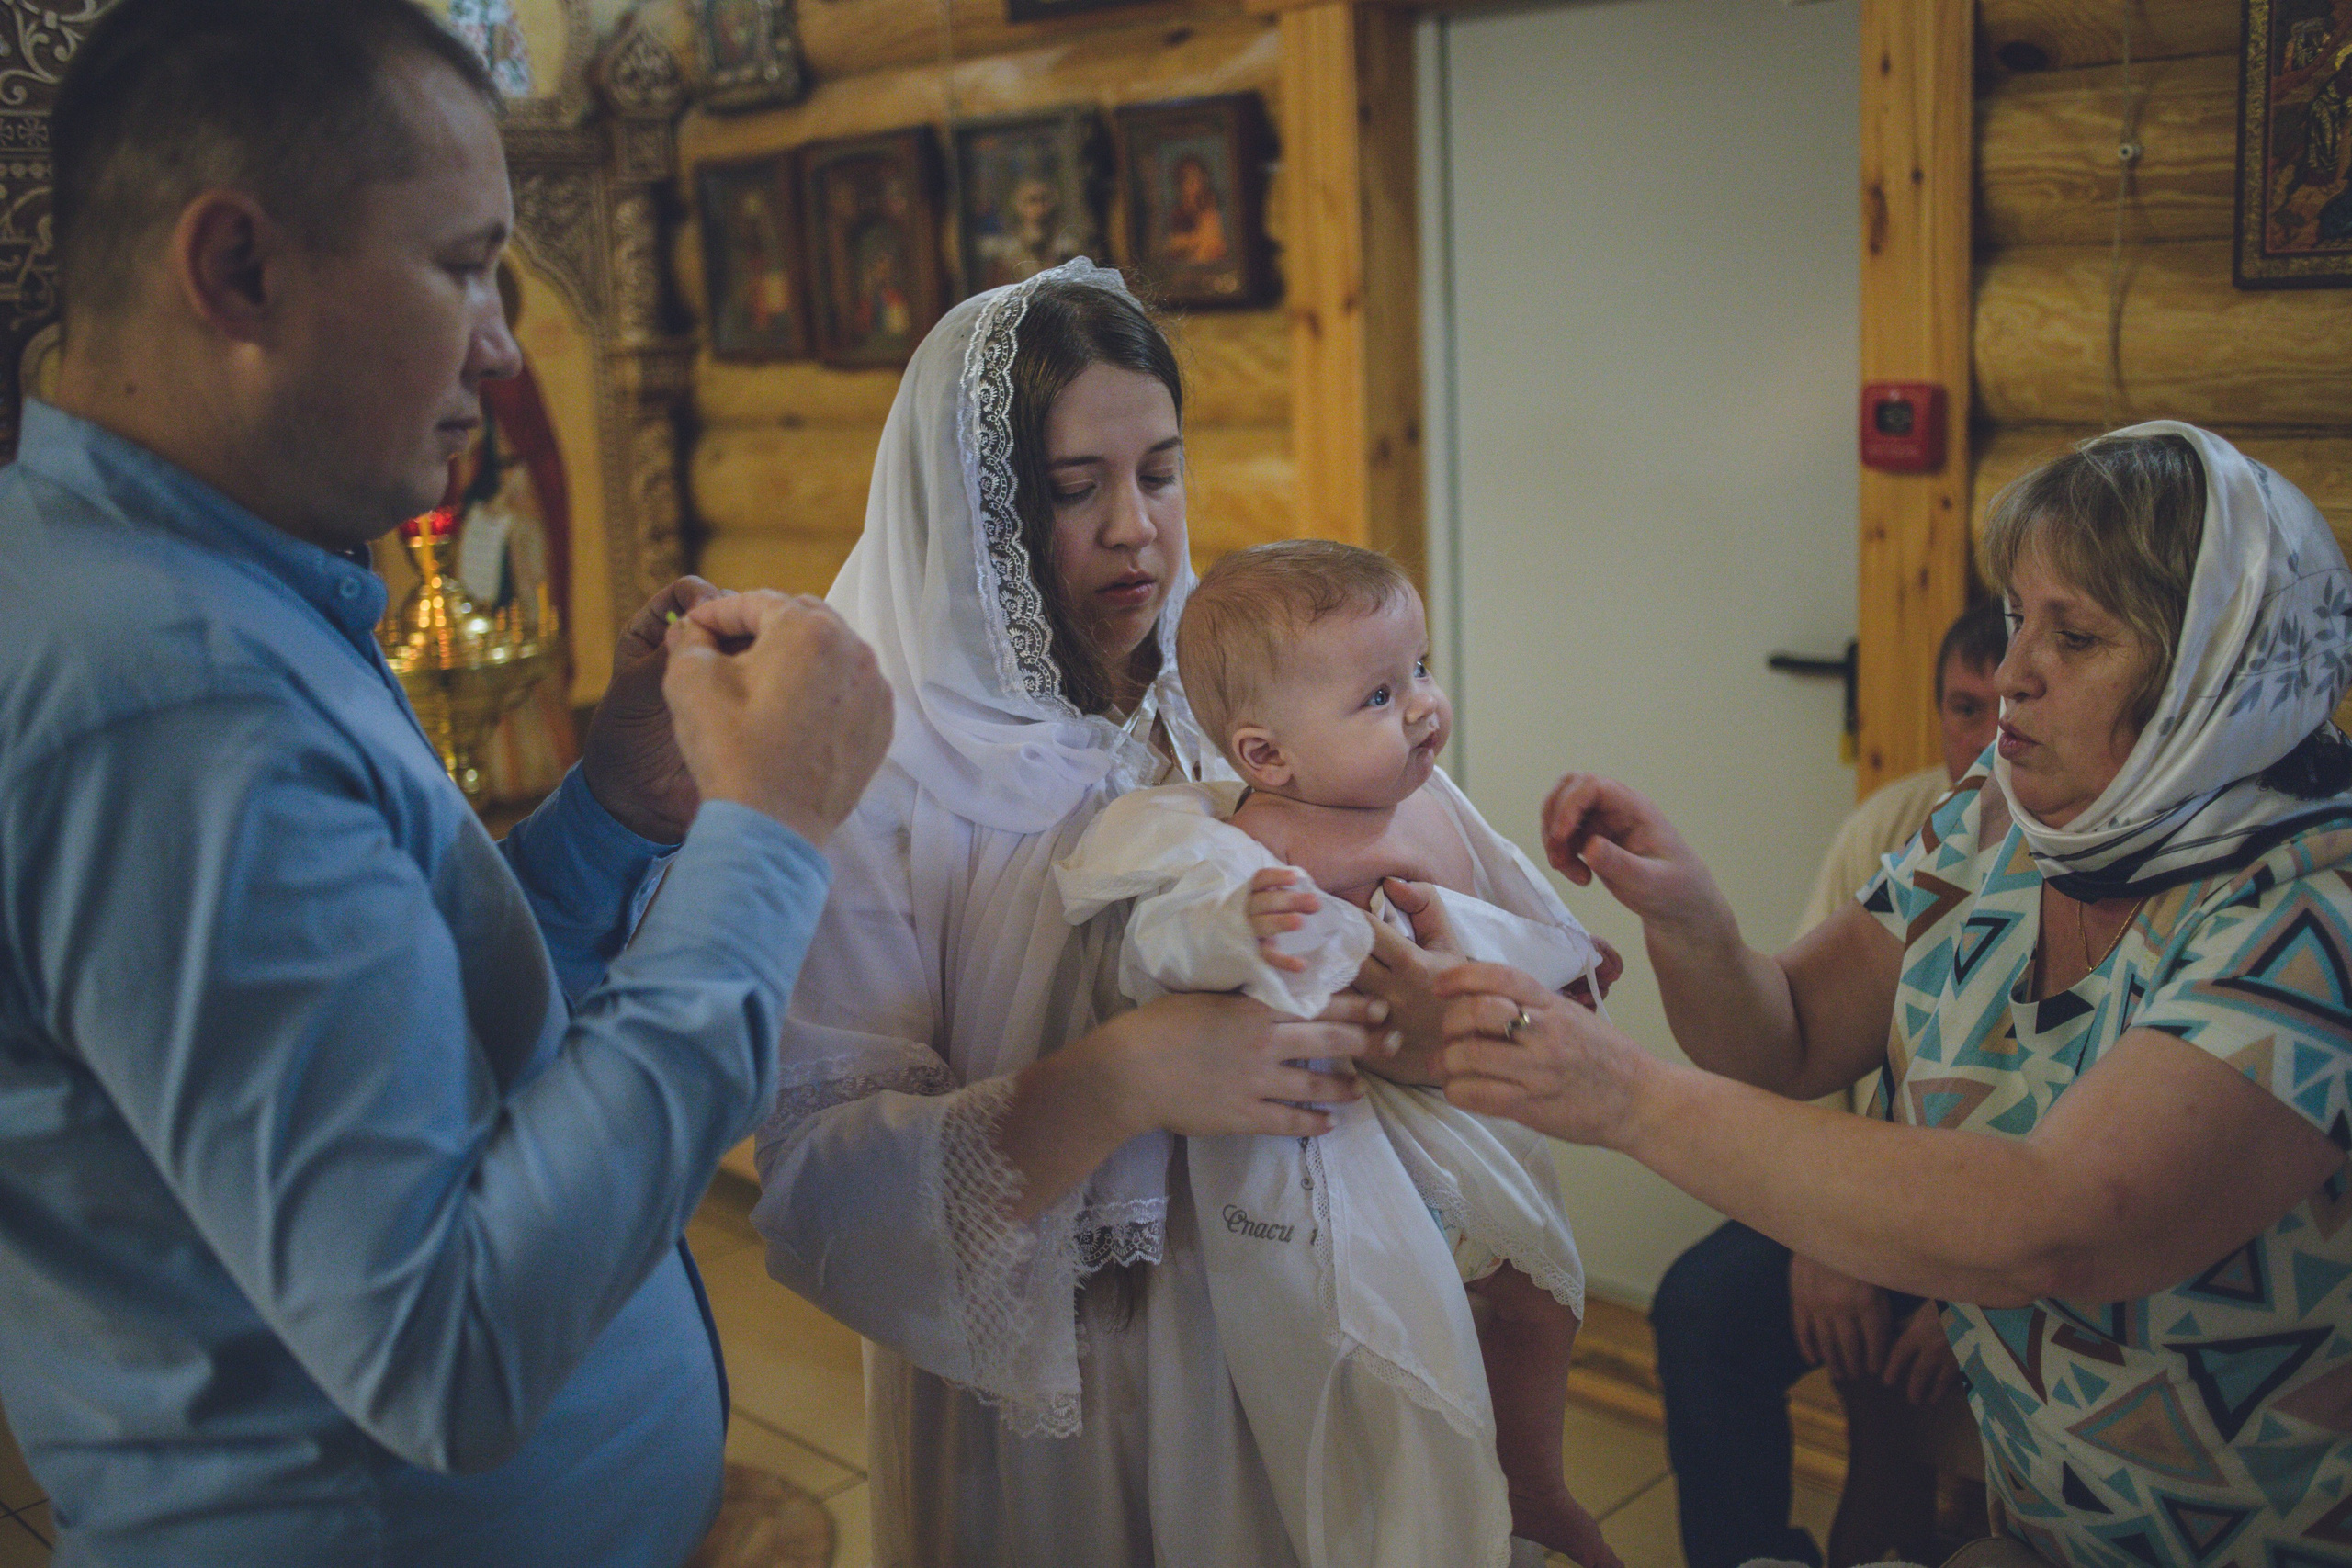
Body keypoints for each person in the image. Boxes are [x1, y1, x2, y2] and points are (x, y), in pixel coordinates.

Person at [0, 4, 892, 1564]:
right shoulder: (171, 699)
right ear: (239, 271)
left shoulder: (198, 584)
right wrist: (769, 836)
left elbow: (440, 1051)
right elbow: (448, 1347)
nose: (502, 338)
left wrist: (620, 811)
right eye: (464, 263)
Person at [1433, 425, 2352, 1564]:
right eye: (2020, 618)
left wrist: (1623, 1097)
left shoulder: (2317, 911)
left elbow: (2054, 1228)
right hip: (2052, 1518)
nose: (2015, 671)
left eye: (2076, 636)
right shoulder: (2002, 820)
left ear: (2216, 674)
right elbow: (1786, 1035)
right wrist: (1685, 915)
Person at [747, 260, 1380, 1565]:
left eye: (1160, 470)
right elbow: (819, 1187)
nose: (1137, 528)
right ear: (970, 508)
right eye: (1075, 489)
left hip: (1260, 1318)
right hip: (1045, 1398)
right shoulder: (875, 767)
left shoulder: (1216, 694)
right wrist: (1129, 1073)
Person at [1052, 538, 1618, 1567]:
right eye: (1376, 697)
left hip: (1460, 1105)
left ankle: (1535, 1477)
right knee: (1401, 1335)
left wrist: (1567, 958)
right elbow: (1165, 940)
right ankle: (1412, 1510)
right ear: (1267, 755)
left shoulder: (1434, 803)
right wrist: (1240, 928)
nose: (1422, 708)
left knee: (1539, 1293)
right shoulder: (1262, 843)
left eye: (1421, 671)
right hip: (1351, 1146)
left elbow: (1503, 900)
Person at [1652, 597, 2003, 1568]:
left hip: (2006, 1239)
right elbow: (1788, 1040)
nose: (1985, 738)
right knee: (1699, 1307)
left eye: (2003, 709)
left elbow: (2082, 1183)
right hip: (1869, 1195)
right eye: (1961, 709)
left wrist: (1973, 1302)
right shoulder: (1902, 828)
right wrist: (1823, 1230)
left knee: (1912, 1432)